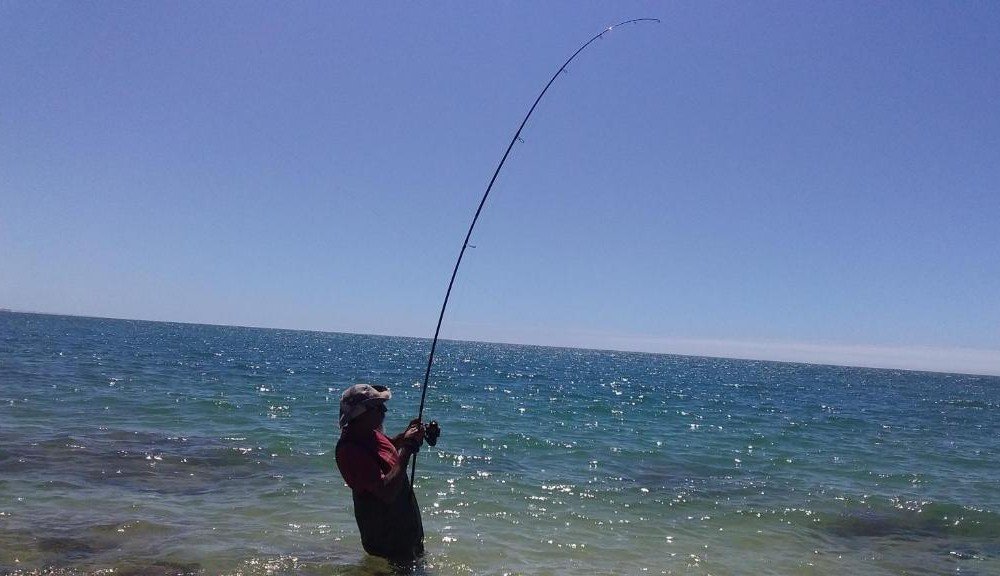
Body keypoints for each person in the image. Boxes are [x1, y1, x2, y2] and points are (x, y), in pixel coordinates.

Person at [335, 383, 428, 564]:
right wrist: (407, 448)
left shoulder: (370, 433)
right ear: (361, 414)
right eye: (378, 407)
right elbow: (387, 492)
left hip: (404, 534)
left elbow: (387, 450)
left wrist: (406, 437)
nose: (384, 410)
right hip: (388, 543)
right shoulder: (350, 451)